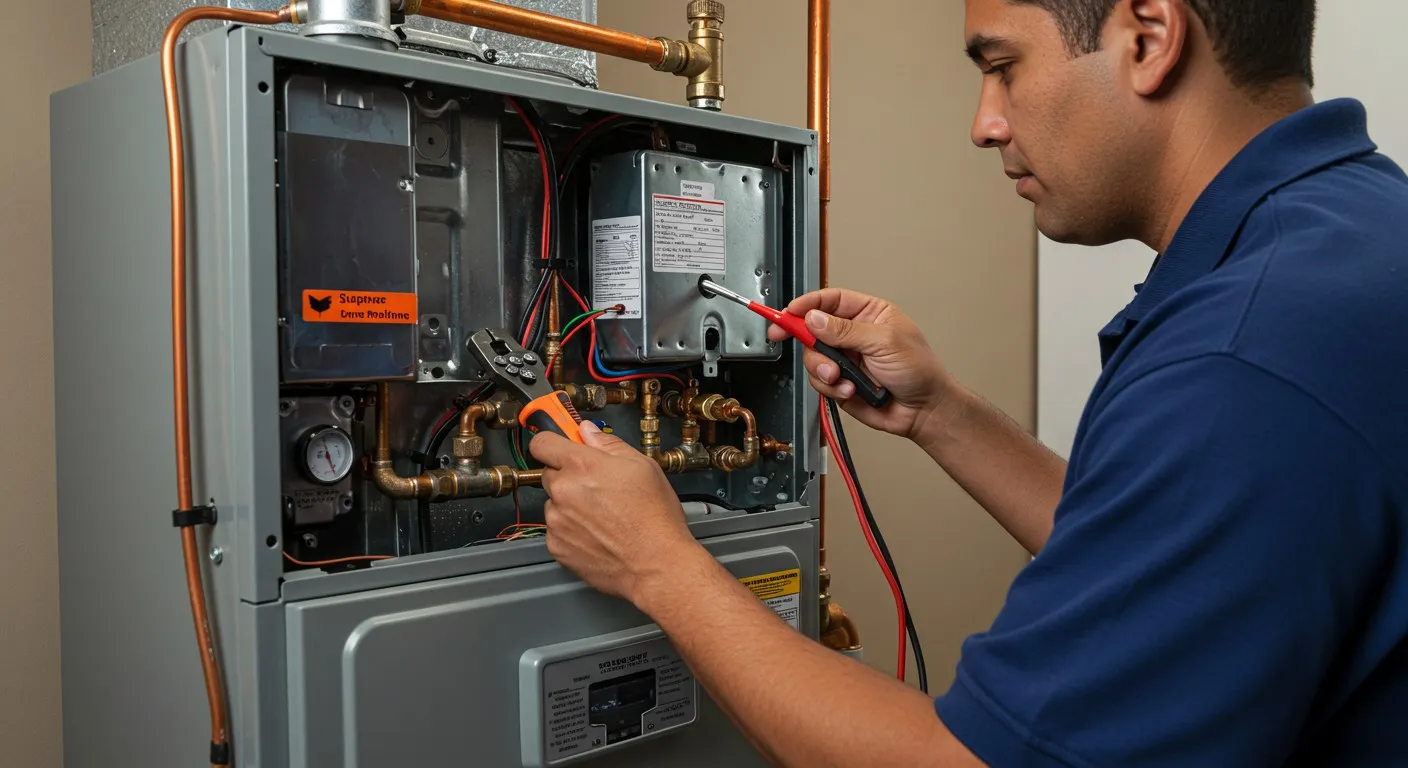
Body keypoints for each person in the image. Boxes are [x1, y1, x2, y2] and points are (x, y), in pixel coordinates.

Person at [530, 0, 1408, 764]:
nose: (985, 123)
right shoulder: (1352, 238)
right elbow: (1178, 558)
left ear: (1149, 36)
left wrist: (658, 564)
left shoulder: (1241, 352)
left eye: (1002, 66)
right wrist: (942, 414)